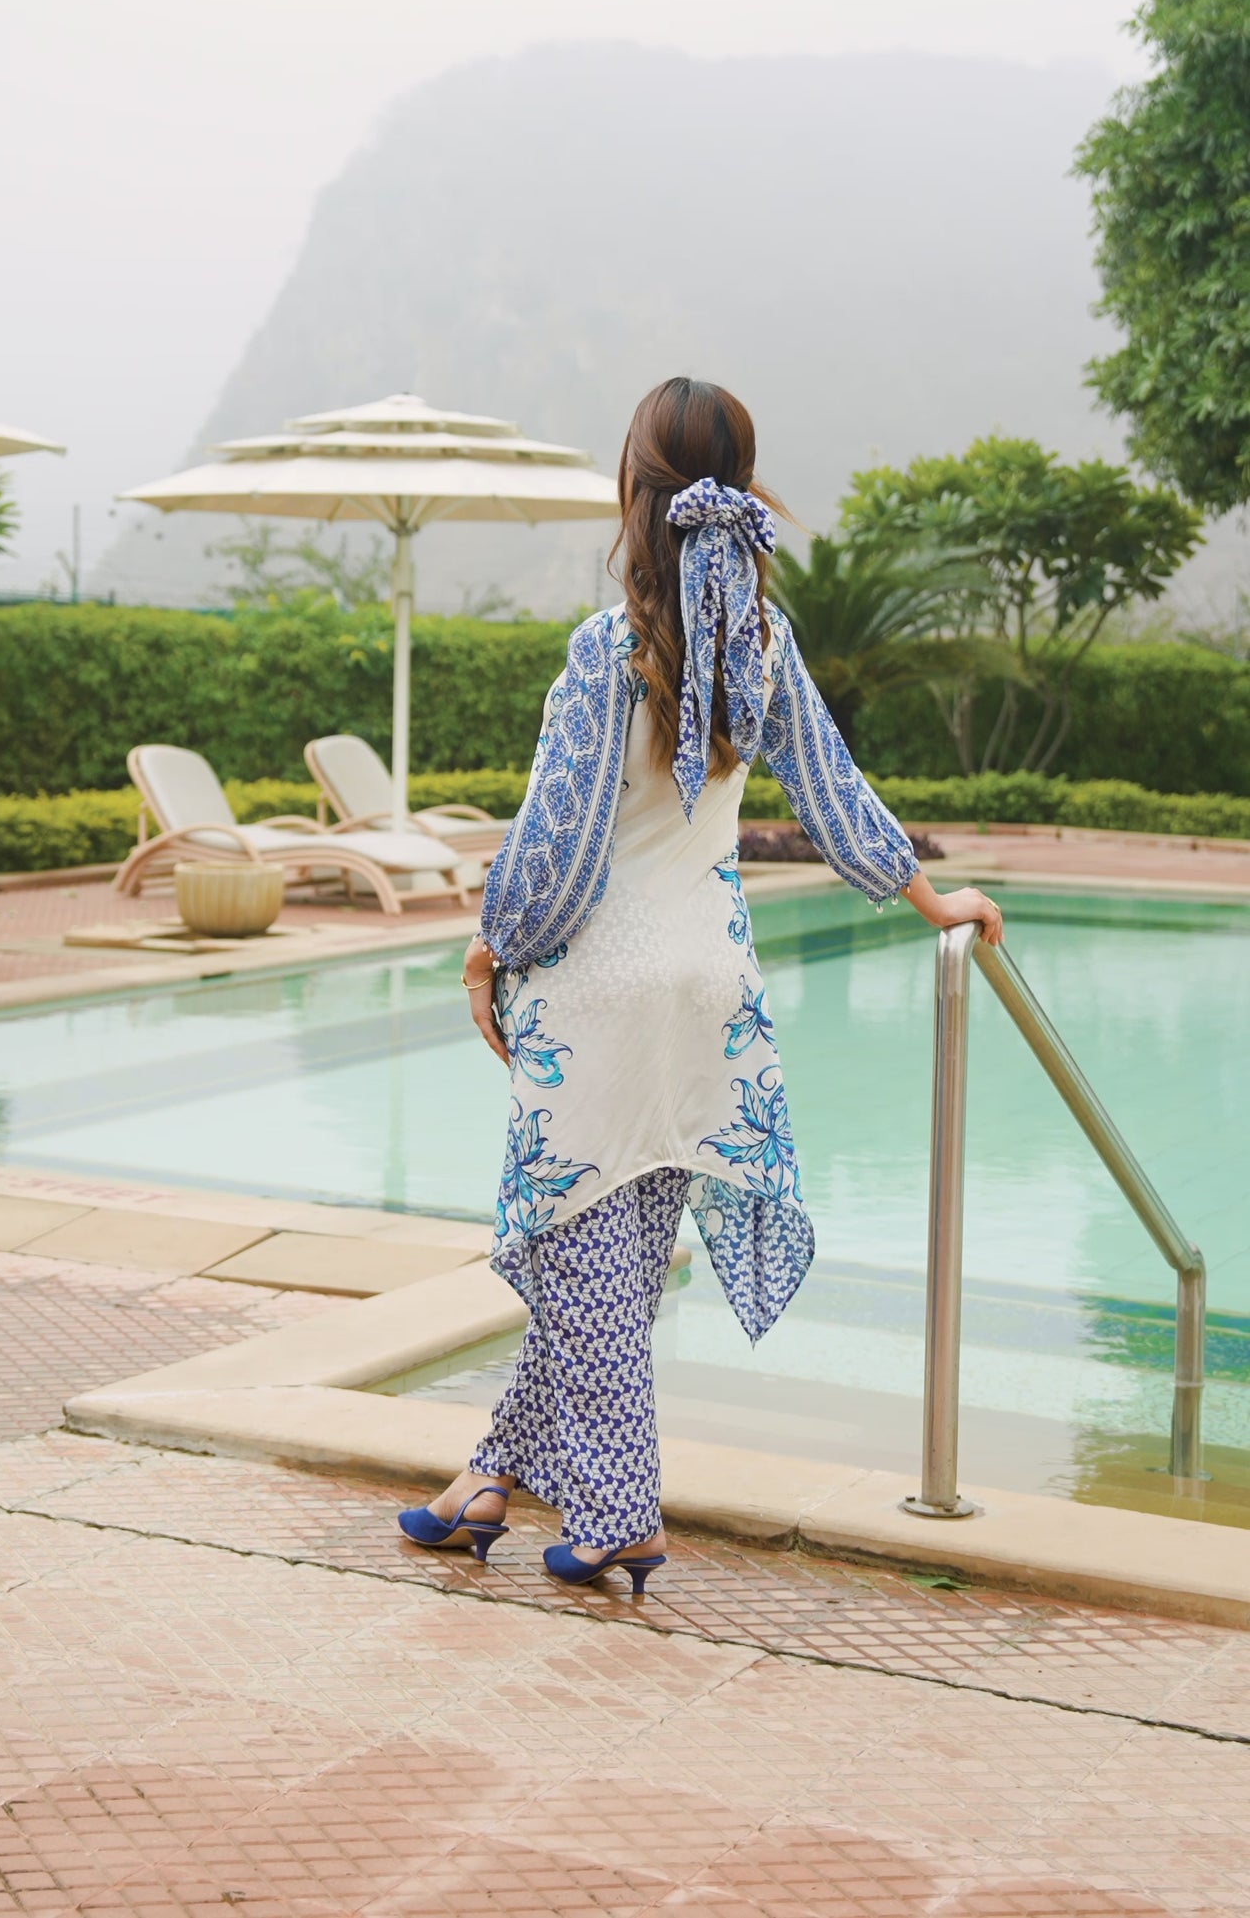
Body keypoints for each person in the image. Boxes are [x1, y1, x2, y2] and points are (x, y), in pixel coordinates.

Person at [396, 377, 1002, 1591]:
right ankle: (486, 1480)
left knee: (579, 1259)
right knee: (610, 1267)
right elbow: (830, 788)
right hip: (708, 995)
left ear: (635, 485)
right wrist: (931, 898)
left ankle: (619, 1512)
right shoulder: (759, 641)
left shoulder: (605, 647)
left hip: (598, 995)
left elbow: (558, 844)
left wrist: (489, 944)